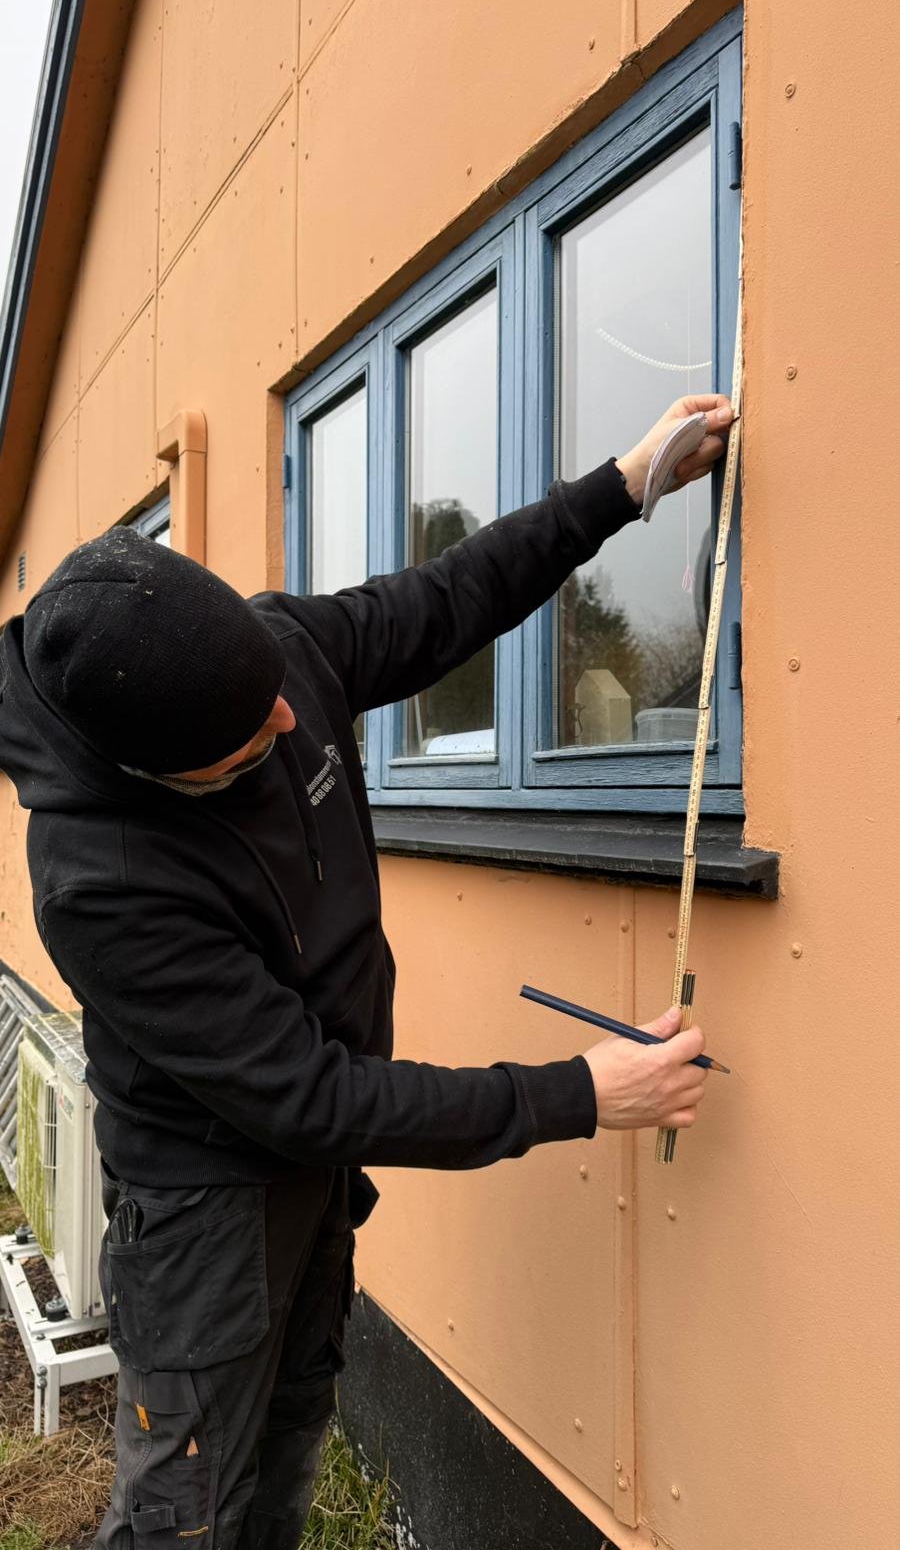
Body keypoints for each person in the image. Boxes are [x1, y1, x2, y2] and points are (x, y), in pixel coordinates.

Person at [0, 392, 731, 1550]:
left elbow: (445, 601)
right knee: (185, 1516)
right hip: (202, 1215)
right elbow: (312, 1096)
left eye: (278, 697)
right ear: (160, 775)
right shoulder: (103, 878)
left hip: (314, 1177)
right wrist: (581, 1094)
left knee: (289, 1446)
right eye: (253, 740)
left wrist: (619, 489)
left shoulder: (272, 654)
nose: (294, 724)